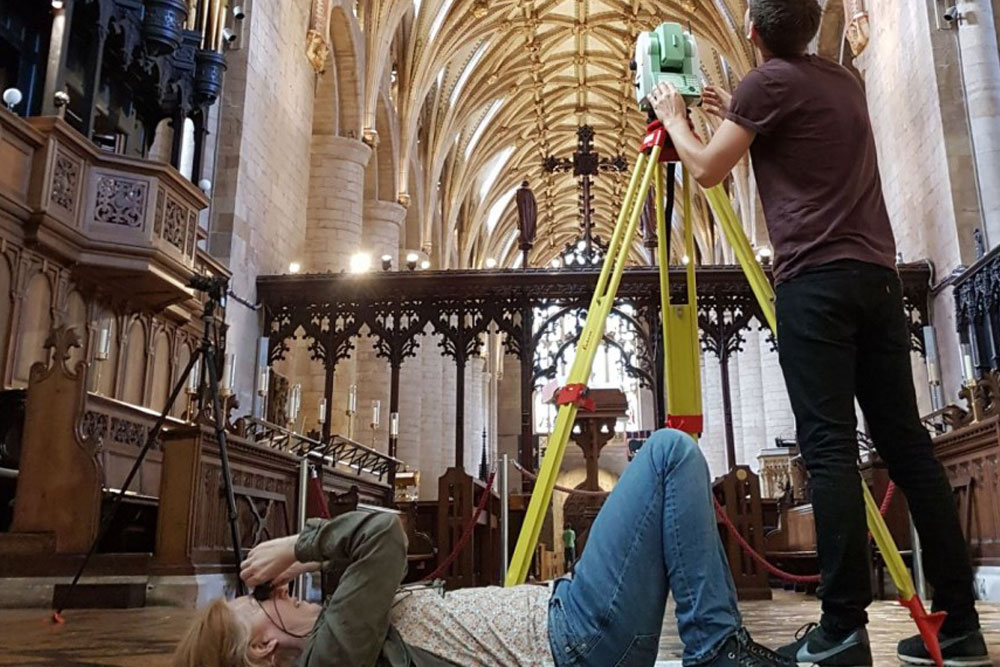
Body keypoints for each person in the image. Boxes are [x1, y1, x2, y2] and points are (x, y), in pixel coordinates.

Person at [647, 1, 989, 665]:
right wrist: (735, 107)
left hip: (816, 286)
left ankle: (841, 629)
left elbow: (707, 168)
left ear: (750, 29)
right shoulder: (842, 79)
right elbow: (789, 129)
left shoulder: (765, 85)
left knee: (828, 448)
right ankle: (962, 624)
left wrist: (674, 118)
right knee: (910, 448)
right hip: (878, 281)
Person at [173, 429, 791, 667]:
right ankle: (715, 651)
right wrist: (295, 547)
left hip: (572, 622)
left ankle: (717, 644)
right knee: (667, 455)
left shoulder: (338, 629)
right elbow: (382, 534)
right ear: (259, 648)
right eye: (247, 599)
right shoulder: (331, 656)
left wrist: (306, 561)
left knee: (665, 468)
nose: (263, 587)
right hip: (575, 640)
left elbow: (366, 561)